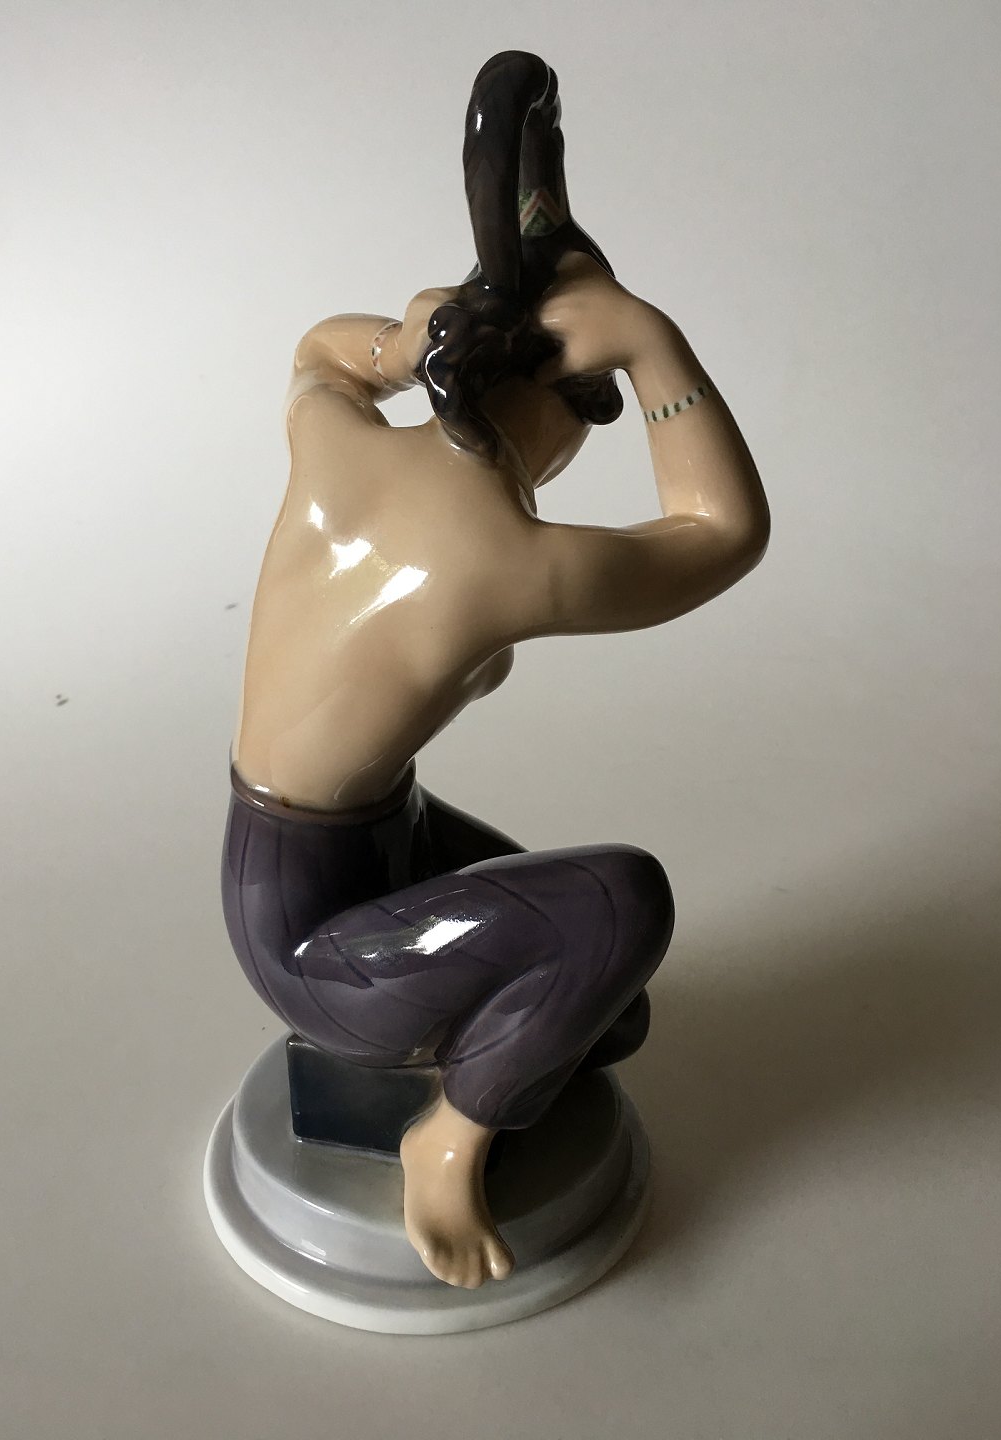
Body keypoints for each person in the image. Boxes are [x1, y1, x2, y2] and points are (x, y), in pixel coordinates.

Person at [222, 53, 769, 1291]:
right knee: (623, 907)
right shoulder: (506, 560)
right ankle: (447, 1143)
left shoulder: (339, 443)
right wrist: (653, 343)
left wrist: (401, 340)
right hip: (314, 948)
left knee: (610, 1010)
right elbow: (724, 531)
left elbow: (317, 354)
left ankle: (484, 1069)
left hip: (339, 849)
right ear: (562, 408)